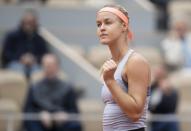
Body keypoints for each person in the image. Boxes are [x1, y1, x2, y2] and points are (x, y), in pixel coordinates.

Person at [96, 4, 151, 131]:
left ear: (124, 26)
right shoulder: (110, 63)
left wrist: (110, 81)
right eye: (98, 24)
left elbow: (135, 113)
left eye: (108, 22)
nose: (102, 28)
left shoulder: (135, 61)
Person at [23, 54, 82, 131]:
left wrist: (65, 115)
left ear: (57, 66)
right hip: (40, 121)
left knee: (75, 125)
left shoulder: (67, 88)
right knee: (31, 123)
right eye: (46, 65)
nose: (49, 68)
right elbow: (27, 110)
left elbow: (74, 111)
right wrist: (39, 114)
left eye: (51, 65)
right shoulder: (34, 87)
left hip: (61, 121)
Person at [1, 9, 48, 79]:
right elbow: (6, 54)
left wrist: (34, 59)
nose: (28, 25)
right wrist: (21, 59)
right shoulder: (11, 35)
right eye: (26, 22)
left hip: (35, 65)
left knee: (38, 74)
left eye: (31, 22)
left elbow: (44, 55)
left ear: (35, 23)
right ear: (22, 22)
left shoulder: (40, 38)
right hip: (15, 63)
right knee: (19, 72)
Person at [149, 65, 179, 131]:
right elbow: (149, 105)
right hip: (156, 120)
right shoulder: (153, 88)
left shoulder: (171, 88)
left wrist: (166, 91)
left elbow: (171, 106)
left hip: (168, 120)